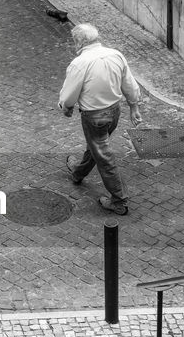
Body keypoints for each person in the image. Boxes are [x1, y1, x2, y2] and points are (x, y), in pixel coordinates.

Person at [57, 23, 145, 215]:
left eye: (74, 41)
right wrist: (134, 106)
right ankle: (78, 172)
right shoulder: (116, 55)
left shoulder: (79, 63)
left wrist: (66, 107)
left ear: (79, 42)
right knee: (97, 146)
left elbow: (69, 95)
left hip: (94, 116)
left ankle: (119, 200)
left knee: (104, 156)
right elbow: (129, 83)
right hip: (114, 112)